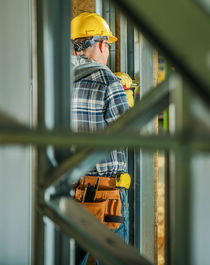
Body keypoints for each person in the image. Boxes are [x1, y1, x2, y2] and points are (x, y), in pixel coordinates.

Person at [70, 12, 130, 265]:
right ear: (102, 44)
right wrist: (126, 97)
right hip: (105, 192)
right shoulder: (108, 81)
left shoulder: (56, 81)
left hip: (69, 187)